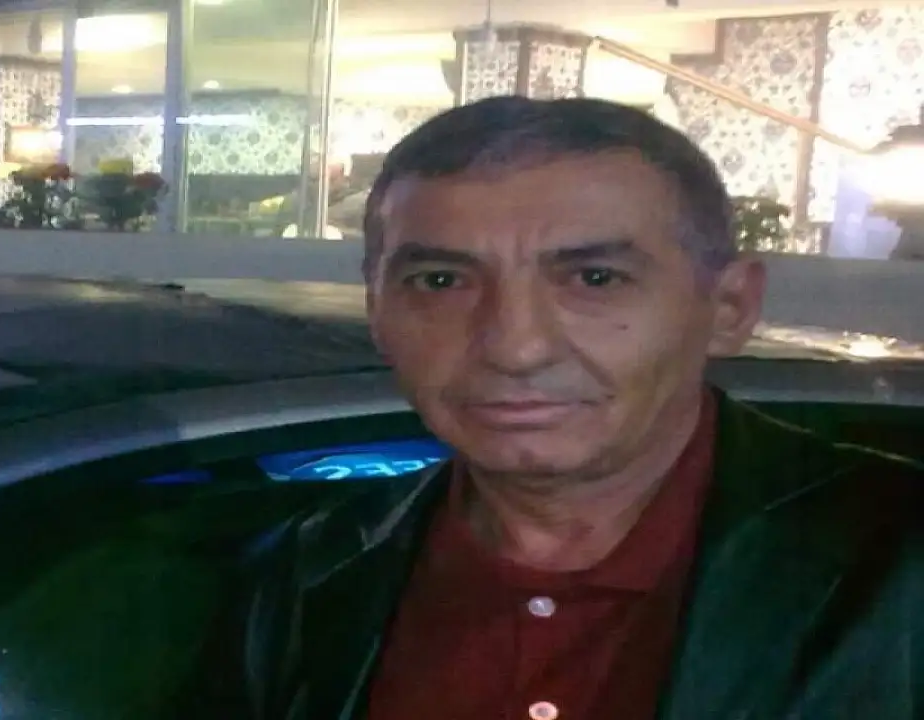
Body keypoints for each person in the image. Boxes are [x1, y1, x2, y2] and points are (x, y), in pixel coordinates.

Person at [177, 96, 924, 719]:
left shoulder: (896, 569)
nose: (516, 347)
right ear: (378, 310)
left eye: (595, 279)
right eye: (441, 282)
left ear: (729, 307)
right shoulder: (306, 572)